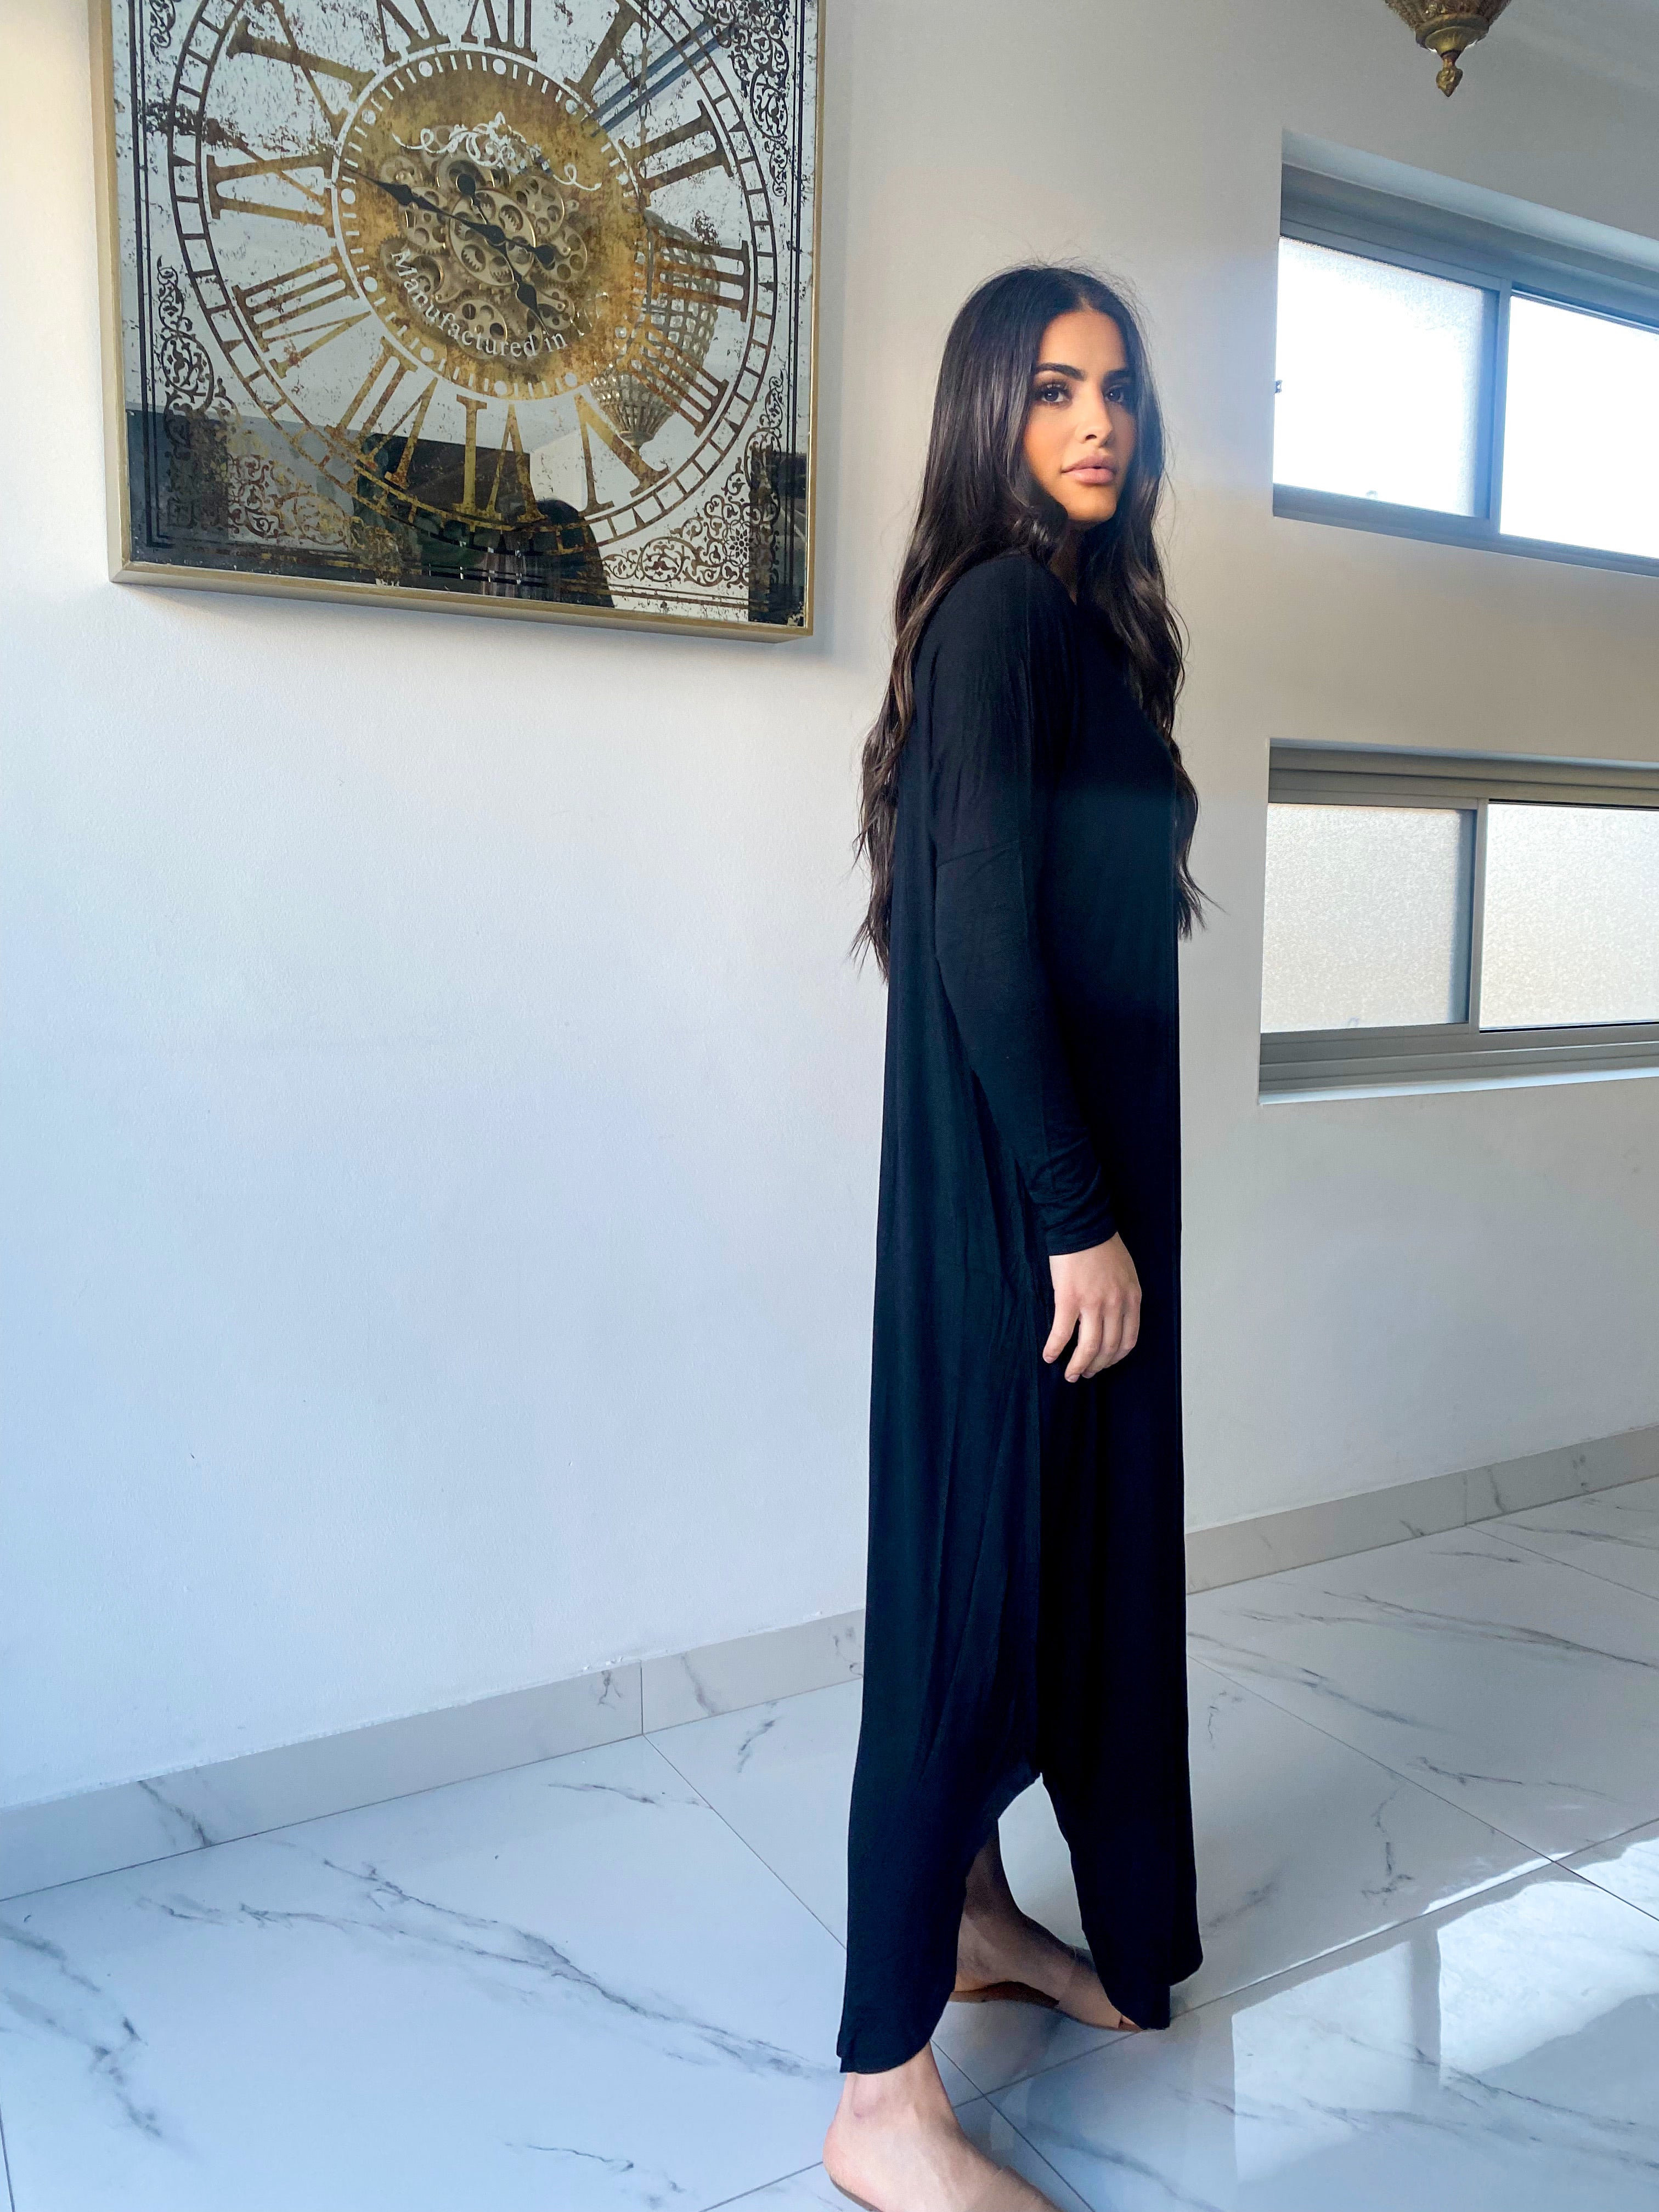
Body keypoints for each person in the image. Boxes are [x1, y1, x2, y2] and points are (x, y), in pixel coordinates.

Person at [825, 265, 1209, 2211]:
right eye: (1056, 388)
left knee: (1062, 1586)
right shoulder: (993, 614)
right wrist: (1073, 1218)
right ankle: (880, 2105)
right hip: (1028, 1228)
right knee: (971, 1616)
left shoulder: (1078, 629)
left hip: (1071, 1207)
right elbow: (974, 935)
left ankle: (980, 1921)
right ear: (990, 411)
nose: (1098, 421)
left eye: (1119, 390)